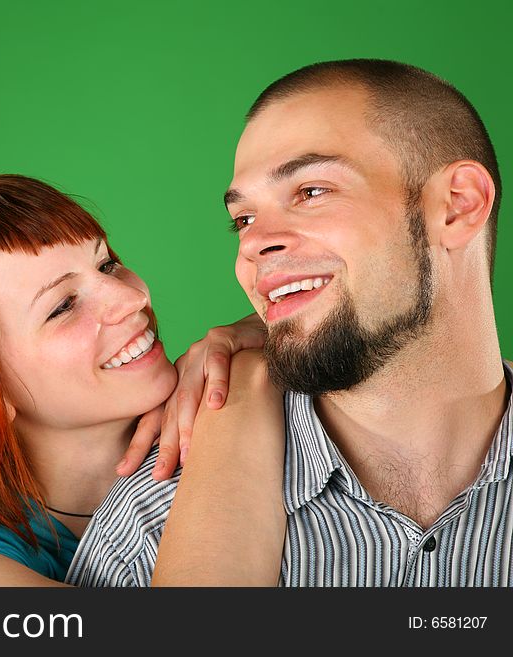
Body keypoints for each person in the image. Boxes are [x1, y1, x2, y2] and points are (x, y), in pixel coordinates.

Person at [67, 59, 512, 587]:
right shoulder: (151, 528)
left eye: (311, 192)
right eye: (243, 220)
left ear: (458, 206)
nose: (253, 245)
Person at [0, 174, 276, 586]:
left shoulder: (218, 387)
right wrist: (245, 386)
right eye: (62, 307)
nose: (134, 298)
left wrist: (269, 330)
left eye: (107, 264)